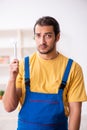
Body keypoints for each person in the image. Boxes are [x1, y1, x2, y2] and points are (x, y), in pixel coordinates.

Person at [2, 16, 87, 130]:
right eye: (38, 35)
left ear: (57, 37)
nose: (42, 41)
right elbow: (8, 107)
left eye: (48, 36)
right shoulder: (22, 66)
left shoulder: (73, 68)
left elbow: (75, 112)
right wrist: (12, 78)